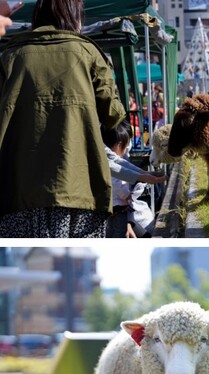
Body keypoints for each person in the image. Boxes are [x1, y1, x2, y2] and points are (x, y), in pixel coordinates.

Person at [0, 0, 126, 237]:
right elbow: (113, 114)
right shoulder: (89, 53)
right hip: (80, 186)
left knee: (31, 262)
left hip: (18, 189)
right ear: (74, 16)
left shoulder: (10, 56)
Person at [102, 121, 165, 238]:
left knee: (114, 231)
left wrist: (143, 174)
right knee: (119, 232)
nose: (127, 149)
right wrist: (130, 194)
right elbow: (118, 186)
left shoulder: (107, 154)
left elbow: (121, 163)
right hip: (118, 209)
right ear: (119, 145)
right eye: (125, 147)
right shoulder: (111, 167)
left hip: (117, 208)